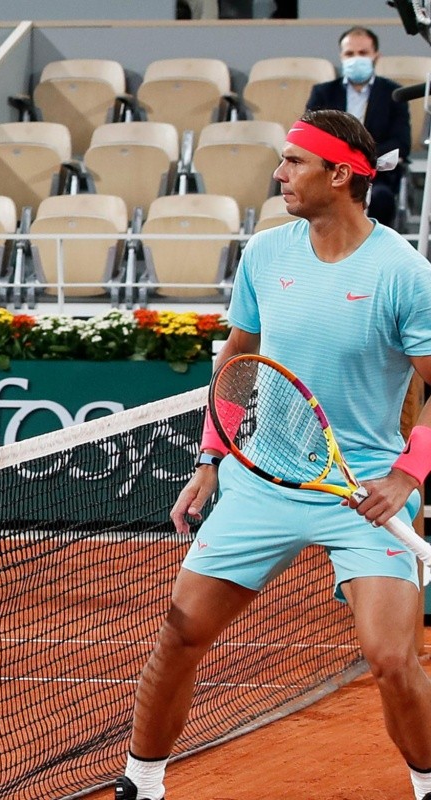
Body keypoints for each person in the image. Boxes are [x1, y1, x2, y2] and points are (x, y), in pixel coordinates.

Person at [115, 109, 431, 800]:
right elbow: (238, 359)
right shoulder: (265, 254)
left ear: (340, 174)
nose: (279, 173)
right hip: (263, 479)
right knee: (179, 631)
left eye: (294, 162)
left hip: (363, 493)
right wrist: (210, 457)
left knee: (391, 660)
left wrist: (405, 475)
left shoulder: (404, 274)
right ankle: (142, 783)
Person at [306, 26, 411, 227]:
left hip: (376, 174)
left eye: (362, 53)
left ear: (376, 56)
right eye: (349, 53)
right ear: (341, 57)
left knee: (381, 199)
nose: (356, 58)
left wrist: (361, 158)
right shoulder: (323, 93)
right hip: (330, 172)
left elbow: (401, 142)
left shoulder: (394, 93)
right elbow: (311, 136)